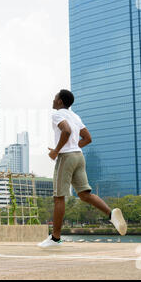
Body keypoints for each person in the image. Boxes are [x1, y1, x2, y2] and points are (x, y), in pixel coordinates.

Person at [38, 90, 127, 248]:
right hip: (79, 157)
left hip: (66, 158)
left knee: (59, 197)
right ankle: (111, 214)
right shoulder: (75, 116)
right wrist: (72, 147)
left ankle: (55, 238)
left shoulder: (57, 115)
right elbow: (88, 138)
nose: (53, 99)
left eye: (55, 97)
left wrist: (56, 151)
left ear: (60, 102)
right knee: (85, 194)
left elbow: (66, 131)